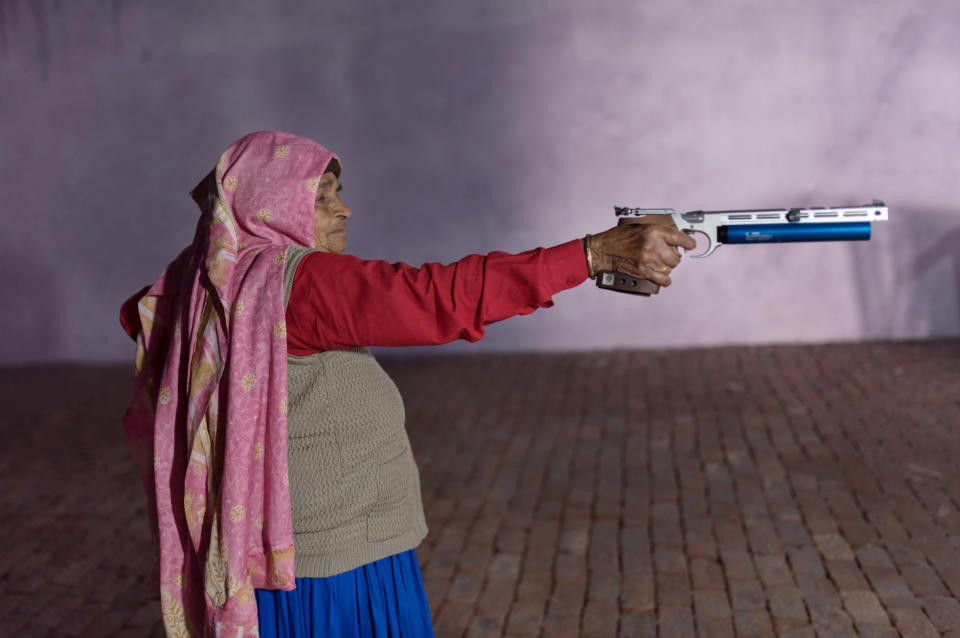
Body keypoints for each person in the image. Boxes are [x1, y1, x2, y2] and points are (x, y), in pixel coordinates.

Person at [120, 130, 696, 638]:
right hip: (331, 562)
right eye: (319, 199)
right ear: (267, 205)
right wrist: (591, 255)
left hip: (304, 543)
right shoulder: (297, 283)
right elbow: (436, 299)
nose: (343, 210)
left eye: (337, 193)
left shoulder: (214, 271)